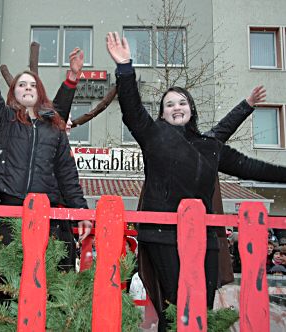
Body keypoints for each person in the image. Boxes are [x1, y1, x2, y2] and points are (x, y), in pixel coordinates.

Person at [106, 31, 286, 331]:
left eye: (182, 103)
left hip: (205, 238)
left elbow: (249, 165)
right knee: (175, 306)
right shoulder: (153, 136)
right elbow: (132, 107)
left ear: (191, 109)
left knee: (201, 307)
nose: (177, 107)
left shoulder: (208, 144)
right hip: (163, 234)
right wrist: (125, 67)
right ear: (162, 114)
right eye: (170, 104)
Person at [0, 0, 92, 271]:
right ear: (14, 93)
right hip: (12, 213)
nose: (27, 88)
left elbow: (68, 175)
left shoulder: (54, 128)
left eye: (32, 85)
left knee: (53, 282)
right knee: (10, 282)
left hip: (51, 214)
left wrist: (81, 212)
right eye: (21, 85)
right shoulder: (4, 121)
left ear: (40, 93)